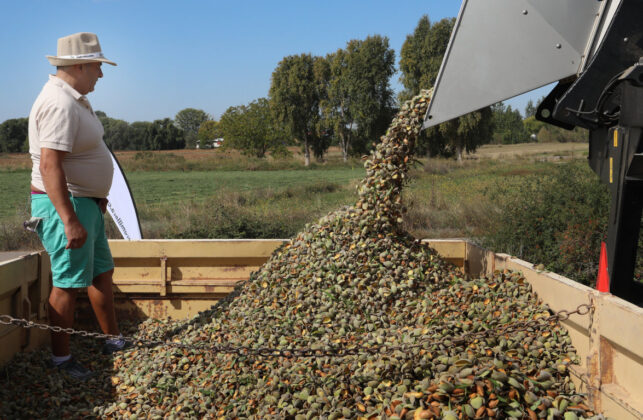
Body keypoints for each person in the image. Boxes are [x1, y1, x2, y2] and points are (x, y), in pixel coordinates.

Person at [28, 32, 128, 380]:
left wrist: (96, 197)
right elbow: (49, 165)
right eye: (98, 67)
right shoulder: (59, 103)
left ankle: (113, 340)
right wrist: (69, 220)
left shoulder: (76, 100)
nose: (100, 74)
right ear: (81, 65)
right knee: (68, 283)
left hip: (84, 204)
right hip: (66, 206)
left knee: (101, 272)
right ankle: (61, 361)